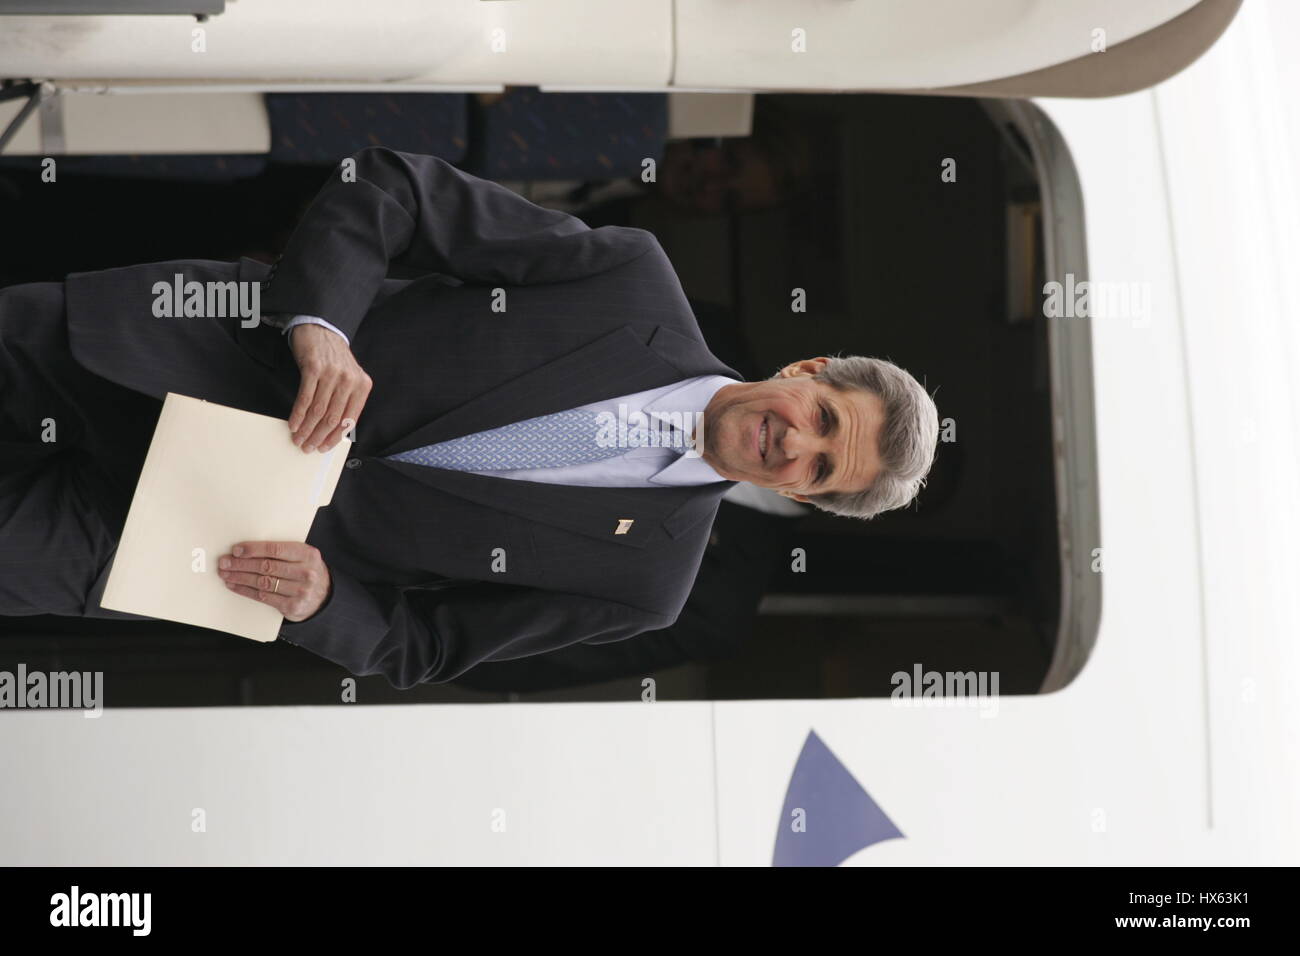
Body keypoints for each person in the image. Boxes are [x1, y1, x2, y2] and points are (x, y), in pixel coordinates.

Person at [0, 147, 938, 689]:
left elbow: (432, 647)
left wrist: (327, 605)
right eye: (821, 415)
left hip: (186, 541)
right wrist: (322, 324)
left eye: (820, 467)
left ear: (808, 498)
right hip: (151, 358)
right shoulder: (629, 279)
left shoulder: (645, 584)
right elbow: (394, 189)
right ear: (809, 368)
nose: (794, 441)